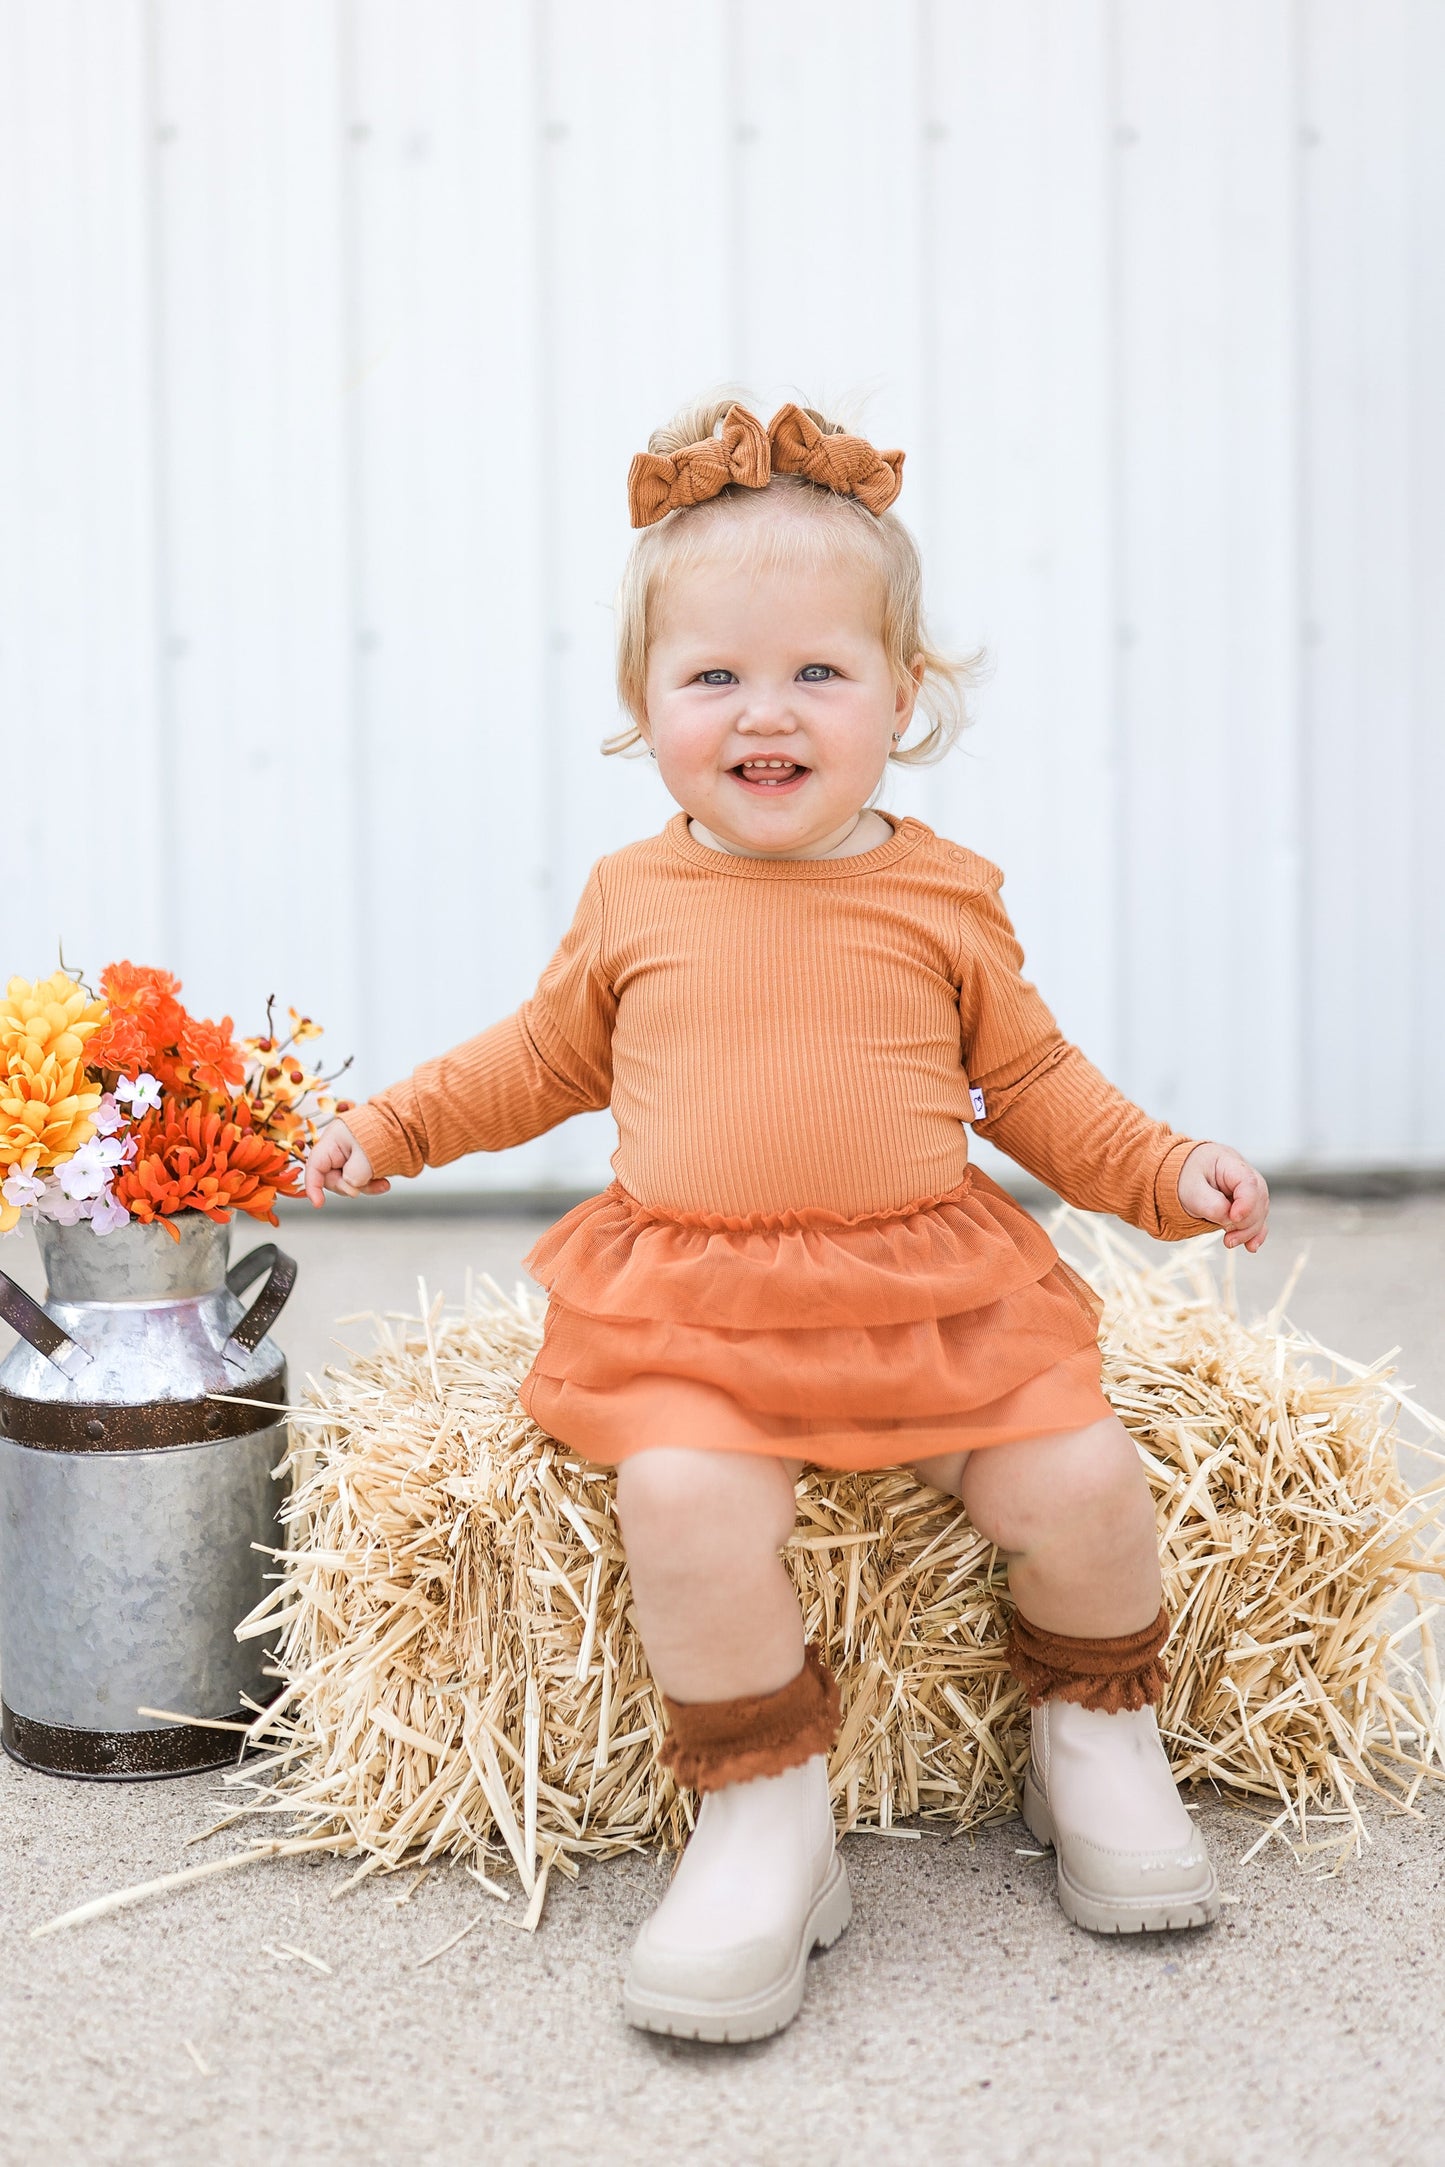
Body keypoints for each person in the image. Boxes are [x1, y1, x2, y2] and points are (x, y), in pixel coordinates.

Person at [306, 397, 1270, 2044]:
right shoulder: (635, 898)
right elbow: (536, 1061)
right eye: (713, 678)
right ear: (643, 707)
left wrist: (1162, 1168)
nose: (768, 712)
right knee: (682, 1501)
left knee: (1085, 1476)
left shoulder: (941, 891)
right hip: (701, 1316)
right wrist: (387, 1125)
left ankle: (1093, 1736)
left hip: (927, 1296)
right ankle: (766, 1807)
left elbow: (1034, 1083)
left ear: (908, 697)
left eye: (820, 672)